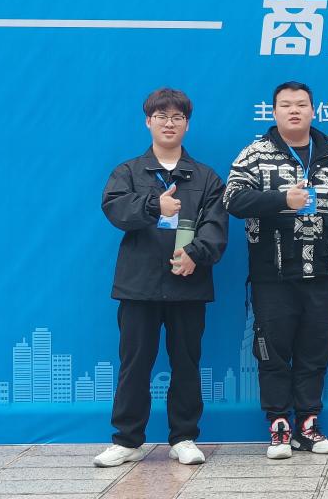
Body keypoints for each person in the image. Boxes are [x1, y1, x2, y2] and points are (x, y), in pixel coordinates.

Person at [224, 81, 328, 459]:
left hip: (322, 273)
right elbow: (232, 200)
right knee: (272, 351)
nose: (294, 110)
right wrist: (283, 199)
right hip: (273, 275)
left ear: (313, 111)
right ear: (274, 112)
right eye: (286, 105)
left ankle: (308, 425)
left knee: (316, 350)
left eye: (301, 104)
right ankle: (279, 425)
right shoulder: (254, 155)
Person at [94, 88, 228, 467]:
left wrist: (195, 255)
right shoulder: (129, 172)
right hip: (139, 286)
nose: (170, 123)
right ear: (148, 122)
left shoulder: (205, 177)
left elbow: (216, 225)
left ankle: (184, 437)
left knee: (186, 363)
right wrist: (156, 204)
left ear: (187, 125)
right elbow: (115, 208)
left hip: (188, 285)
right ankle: (127, 440)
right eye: (162, 116)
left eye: (177, 117)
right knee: (134, 364)